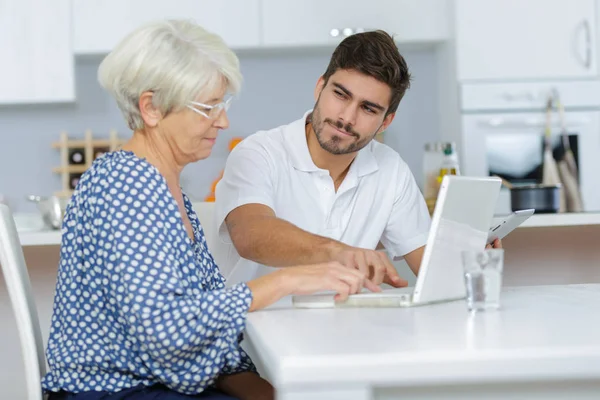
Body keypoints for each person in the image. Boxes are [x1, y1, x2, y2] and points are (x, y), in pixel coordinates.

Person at [41, 20, 371, 400]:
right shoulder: (123, 182)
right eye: (208, 107)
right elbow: (165, 330)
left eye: (223, 105)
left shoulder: (164, 187)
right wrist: (285, 281)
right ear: (151, 108)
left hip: (154, 385)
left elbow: (198, 332)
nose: (224, 121)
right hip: (116, 393)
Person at [215, 30, 502, 287]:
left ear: (386, 122)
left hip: (346, 333)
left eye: (368, 109)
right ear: (320, 87)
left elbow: (430, 269)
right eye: (340, 95)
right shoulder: (259, 153)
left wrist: (473, 261)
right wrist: (339, 252)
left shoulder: (390, 169)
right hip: (253, 337)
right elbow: (250, 234)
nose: (346, 117)